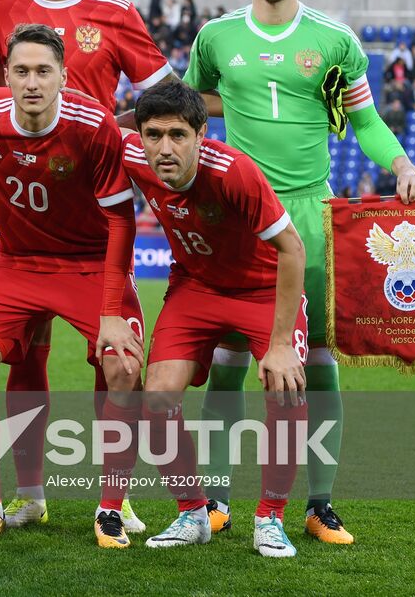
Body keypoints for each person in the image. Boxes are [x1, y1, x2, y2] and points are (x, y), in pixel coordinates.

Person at [184, 0, 415, 543]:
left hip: (309, 218)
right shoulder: (215, 38)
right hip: (237, 217)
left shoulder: (334, 41)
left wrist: (403, 166)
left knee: (317, 364)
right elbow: (190, 108)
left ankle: (319, 504)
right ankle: (215, 500)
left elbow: (365, 121)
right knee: (227, 361)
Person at [0, 0, 171, 531]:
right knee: (25, 356)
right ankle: (30, 494)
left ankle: (115, 498)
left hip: (99, 221)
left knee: (116, 362)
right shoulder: (4, 9)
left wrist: (111, 129)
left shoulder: (115, 15)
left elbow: (167, 99)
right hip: (28, 217)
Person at [0, 24, 144, 549]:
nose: (32, 82)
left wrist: (111, 311)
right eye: (21, 71)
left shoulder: (94, 125)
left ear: (64, 76)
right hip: (17, 264)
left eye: (44, 71)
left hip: (90, 265)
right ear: (5, 75)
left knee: (123, 367)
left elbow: (122, 222)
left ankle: (112, 506)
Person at [121, 79, 308, 559]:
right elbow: (92, 126)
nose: (165, 148)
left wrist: (281, 344)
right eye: (153, 134)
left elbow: (292, 250)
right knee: (157, 397)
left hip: (262, 289)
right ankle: (193, 514)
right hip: (196, 288)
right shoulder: (133, 155)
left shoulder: (234, 172)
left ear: (201, 134)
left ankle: (270, 518)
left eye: (178, 135)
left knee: (286, 390)